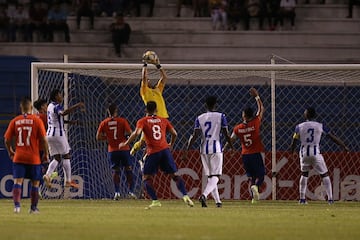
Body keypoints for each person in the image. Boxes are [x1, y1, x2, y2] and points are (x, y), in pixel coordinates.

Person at [119, 101, 194, 208]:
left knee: (146, 177)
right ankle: (185, 196)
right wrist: (171, 144)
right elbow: (175, 133)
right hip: (165, 150)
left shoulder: (143, 121)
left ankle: (155, 201)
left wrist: (126, 143)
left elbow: (137, 133)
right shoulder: (164, 120)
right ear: (156, 110)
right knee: (174, 175)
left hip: (153, 152)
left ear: (146, 110)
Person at [290, 107, 349, 205]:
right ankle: (330, 199)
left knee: (304, 175)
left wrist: (291, 152)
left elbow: (294, 141)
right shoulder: (320, 126)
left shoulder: (299, 126)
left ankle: (302, 199)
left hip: (304, 154)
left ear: (306, 114)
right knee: (324, 175)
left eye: (305, 112)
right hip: (315, 153)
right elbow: (332, 137)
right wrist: (343, 145)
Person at [184, 96, 233, 208]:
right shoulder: (221, 116)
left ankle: (218, 202)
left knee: (211, 177)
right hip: (216, 148)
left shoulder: (199, 118)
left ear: (205, 105)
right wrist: (231, 146)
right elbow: (226, 133)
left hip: (204, 149)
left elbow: (194, 135)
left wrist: (187, 150)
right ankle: (204, 195)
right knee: (216, 176)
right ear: (216, 104)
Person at [4, 97, 49, 213]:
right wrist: (46, 154)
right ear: (31, 107)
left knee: (17, 182)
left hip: (19, 157)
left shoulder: (15, 121)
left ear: (21, 108)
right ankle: (33, 208)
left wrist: (10, 151)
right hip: (34, 158)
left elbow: (6, 139)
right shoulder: (37, 120)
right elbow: (44, 140)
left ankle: (17, 207)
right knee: (35, 183)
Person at [226, 87, 265, 203]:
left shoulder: (237, 128)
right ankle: (256, 187)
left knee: (251, 176)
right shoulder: (256, 122)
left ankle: (253, 197)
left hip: (245, 155)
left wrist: (226, 149)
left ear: (244, 116)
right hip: (255, 153)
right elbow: (261, 109)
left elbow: (231, 139)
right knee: (261, 175)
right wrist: (257, 96)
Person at [42, 89, 85, 191]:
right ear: (56, 96)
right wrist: (77, 105)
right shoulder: (57, 106)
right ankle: (68, 180)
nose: (61, 97)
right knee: (66, 155)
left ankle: (48, 175)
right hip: (58, 134)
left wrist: (71, 122)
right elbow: (63, 113)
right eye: (60, 95)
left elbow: (57, 119)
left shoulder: (49, 106)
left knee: (57, 158)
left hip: (49, 134)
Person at [130, 51, 169, 155]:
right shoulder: (144, 91)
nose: (148, 80)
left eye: (148, 80)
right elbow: (144, 77)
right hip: (152, 119)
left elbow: (164, 78)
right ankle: (138, 152)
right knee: (149, 141)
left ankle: (140, 153)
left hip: (162, 118)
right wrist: (145, 64)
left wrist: (158, 65)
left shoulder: (157, 90)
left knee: (152, 142)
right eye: (147, 81)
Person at [96, 103, 136, 200]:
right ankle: (131, 192)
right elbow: (131, 133)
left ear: (108, 112)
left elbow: (97, 137)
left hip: (112, 150)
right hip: (124, 149)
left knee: (115, 171)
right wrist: (126, 139)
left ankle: (117, 192)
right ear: (116, 111)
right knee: (128, 169)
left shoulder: (104, 122)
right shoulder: (122, 121)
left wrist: (108, 138)